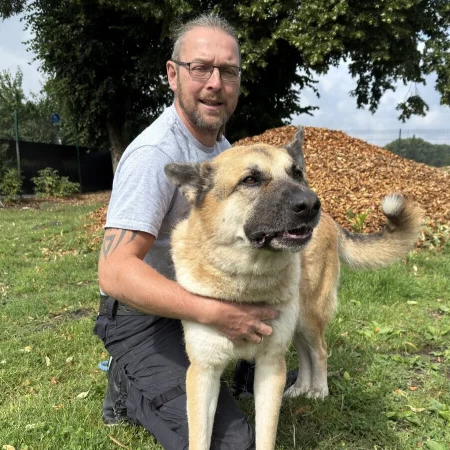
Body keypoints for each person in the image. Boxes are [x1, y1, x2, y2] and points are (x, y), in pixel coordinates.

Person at [95, 13, 280, 450]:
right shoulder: (155, 153)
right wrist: (217, 314)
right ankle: (128, 383)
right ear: (173, 74)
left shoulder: (224, 152)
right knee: (231, 444)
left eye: (228, 71)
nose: (215, 82)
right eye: (201, 68)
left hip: (203, 294)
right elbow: (115, 273)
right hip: (141, 314)